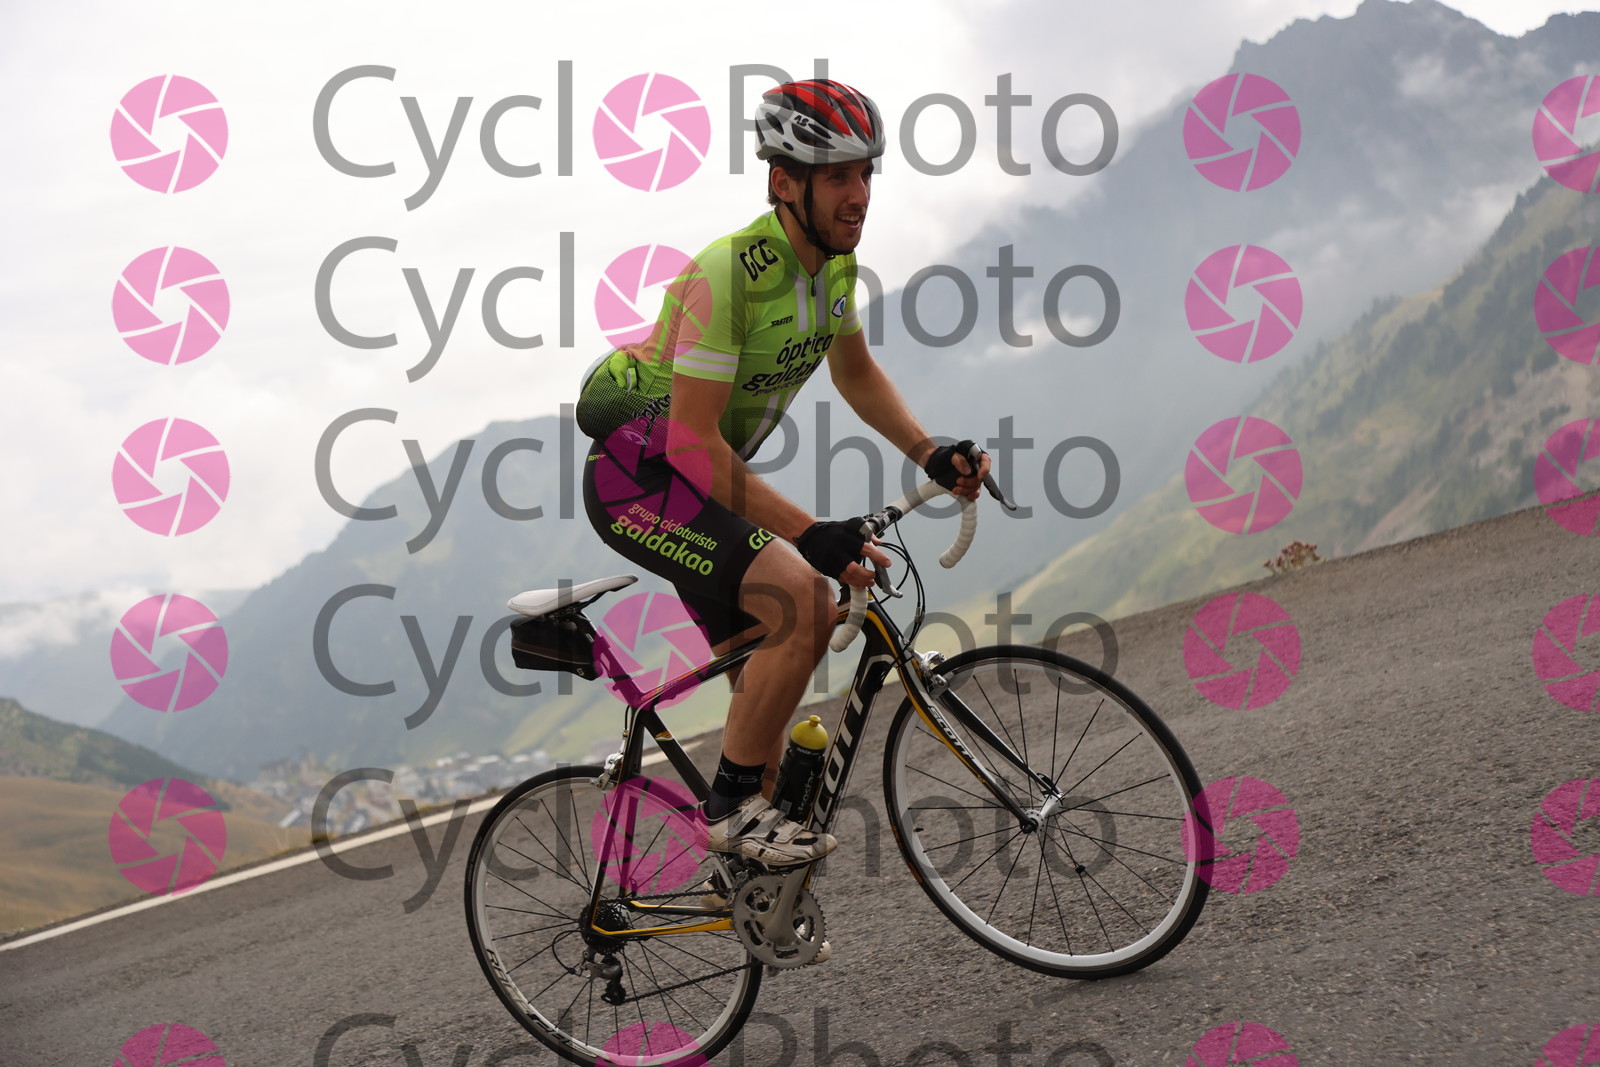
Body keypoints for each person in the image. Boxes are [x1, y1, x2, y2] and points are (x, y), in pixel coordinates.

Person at [576, 79, 990, 873]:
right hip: (640, 485)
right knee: (802, 596)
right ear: (784, 183)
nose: (859, 194)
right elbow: (692, 444)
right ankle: (727, 813)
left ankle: (740, 898)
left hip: (702, 484)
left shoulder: (833, 267)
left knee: (767, 703)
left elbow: (856, 374)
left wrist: (928, 453)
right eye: (837, 177)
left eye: (866, 172)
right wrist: (809, 534)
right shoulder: (728, 276)